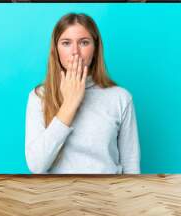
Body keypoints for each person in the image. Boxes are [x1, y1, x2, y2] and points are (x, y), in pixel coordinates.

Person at [25, 13, 140, 174]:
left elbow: (131, 166)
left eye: (84, 42)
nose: (75, 52)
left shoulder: (121, 97)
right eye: (66, 43)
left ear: (95, 48)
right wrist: (70, 104)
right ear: (56, 49)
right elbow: (36, 165)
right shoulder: (39, 96)